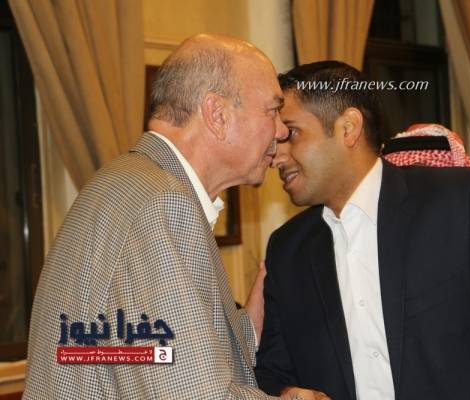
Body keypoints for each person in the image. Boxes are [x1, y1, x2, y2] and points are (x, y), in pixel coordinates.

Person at [255, 60, 470, 399]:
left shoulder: (465, 204)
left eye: (291, 134)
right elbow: (273, 371)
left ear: (348, 128)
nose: (277, 157)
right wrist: (288, 392)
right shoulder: (288, 249)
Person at [24, 34, 289, 399]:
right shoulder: (162, 205)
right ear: (217, 115)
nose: (282, 130)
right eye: (272, 110)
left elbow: (143, 351)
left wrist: (250, 329)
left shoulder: (125, 183)